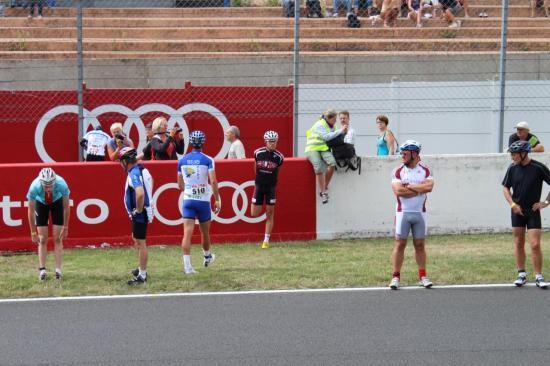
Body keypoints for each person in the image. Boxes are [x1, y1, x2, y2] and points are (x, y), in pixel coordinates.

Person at [502, 140, 550, 289]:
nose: (512, 157)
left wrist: (545, 203)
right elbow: (505, 188)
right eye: (512, 154)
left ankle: (538, 276)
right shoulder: (512, 168)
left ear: (524, 154)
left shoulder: (538, 168)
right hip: (517, 211)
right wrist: (512, 204)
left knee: (535, 244)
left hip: (533, 211)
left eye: (514, 154)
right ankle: (521, 274)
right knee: (518, 242)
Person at [389, 140, 434, 290]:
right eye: (401, 153)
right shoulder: (398, 171)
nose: (402, 156)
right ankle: (395, 277)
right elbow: (399, 191)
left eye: (405, 154)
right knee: (400, 244)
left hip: (420, 213)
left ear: (414, 154)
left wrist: (409, 186)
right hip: (403, 213)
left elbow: (429, 187)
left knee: (419, 245)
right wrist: (419, 189)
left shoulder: (426, 170)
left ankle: (423, 276)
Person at [177, 130, 221, 274]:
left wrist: (188, 190)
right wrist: (217, 199)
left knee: (187, 234)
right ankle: (207, 256)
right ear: (203, 143)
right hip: (203, 201)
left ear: (191, 142)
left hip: (188, 199)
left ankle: (187, 267)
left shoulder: (182, 160)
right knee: (205, 232)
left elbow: (179, 184)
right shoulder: (208, 159)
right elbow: (213, 181)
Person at [26, 167, 70, 281]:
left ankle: (58, 270)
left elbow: (66, 207)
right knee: (42, 239)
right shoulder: (34, 187)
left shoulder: (61, 184)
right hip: (41, 203)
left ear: (55, 182)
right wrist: (33, 232)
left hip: (57, 202)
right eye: (45, 186)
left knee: (57, 238)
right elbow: (30, 211)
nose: (48, 188)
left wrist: (65, 227)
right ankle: (42, 270)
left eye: (51, 185)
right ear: (41, 182)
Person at [119, 147, 154, 285]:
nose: (120, 164)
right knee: (136, 239)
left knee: (141, 242)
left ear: (126, 161)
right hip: (144, 209)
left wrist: (138, 210)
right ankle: (141, 268)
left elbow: (140, 193)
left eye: (121, 161)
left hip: (140, 212)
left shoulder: (134, 173)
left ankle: (143, 275)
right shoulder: (141, 169)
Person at [305, 109, 348, 204]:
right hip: (313, 148)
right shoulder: (320, 124)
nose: (336, 120)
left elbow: (336, 135)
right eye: (334, 118)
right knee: (319, 168)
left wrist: (343, 132)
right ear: (329, 118)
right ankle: (323, 192)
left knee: (332, 163)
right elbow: (326, 137)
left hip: (323, 148)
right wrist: (340, 131)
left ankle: (324, 186)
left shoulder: (332, 125)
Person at [251, 131, 284, 249]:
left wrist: (271, 182)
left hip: (271, 187)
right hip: (259, 185)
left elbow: (278, 172)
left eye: (274, 141)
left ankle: (266, 240)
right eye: (270, 141)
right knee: (254, 213)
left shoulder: (279, 157)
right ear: (265, 141)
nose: (272, 143)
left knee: (269, 213)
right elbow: (255, 167)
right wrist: (259, 180)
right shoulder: (257, 153)